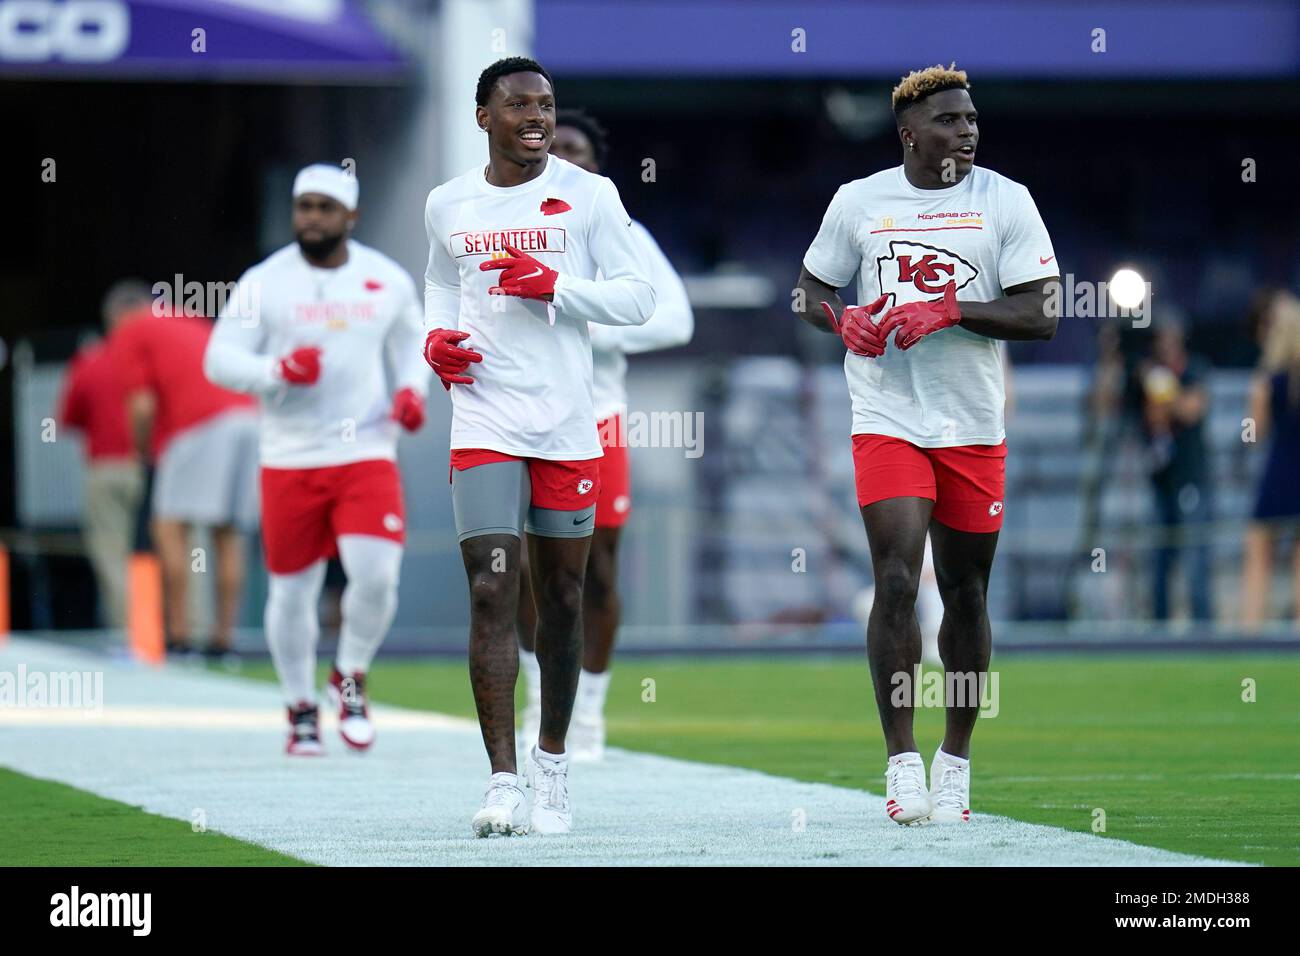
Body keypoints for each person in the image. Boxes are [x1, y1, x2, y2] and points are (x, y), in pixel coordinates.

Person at [794, 64, 1059, 825]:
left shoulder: (1006, 200)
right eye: (950, 120)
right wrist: (839, 320)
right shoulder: (859, 201)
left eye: (972, 120)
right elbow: (808, 288)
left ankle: (956, 760)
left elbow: (1042, 314)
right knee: (899, 580)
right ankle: (902, 760)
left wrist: (948, 311)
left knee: (968, 592)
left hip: (973, 422)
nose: (967, 131)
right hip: (887, 413)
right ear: (910, 133)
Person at [422, 57, 654, 836]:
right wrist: (435, 339)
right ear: (481, 115)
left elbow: (639, 298)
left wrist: (553, 282)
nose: (536, 117)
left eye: (545, 105)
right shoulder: (447, 203)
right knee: (492, 590)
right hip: (483, 417)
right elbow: (440, 280)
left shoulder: (590, 196)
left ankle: (553, 763)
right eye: (518, 104)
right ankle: (502, 781)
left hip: (565, 426)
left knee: (561, 598)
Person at [205, 164, 429, 755]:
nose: (311, 217)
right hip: (289, 455)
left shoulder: (385, 278)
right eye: (304, 206)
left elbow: (413, 342)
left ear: (350, 216)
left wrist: (413, 392)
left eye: (325, 208)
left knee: (378, 575)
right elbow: (219, 358)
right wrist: (274, 372)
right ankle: (300, 706)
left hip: (366, 450)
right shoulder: (264, 281)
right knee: (292, 592)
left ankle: (349, 675)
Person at [508, 108, 694, 761]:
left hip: (598, 417)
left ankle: (587, 709)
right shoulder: (499, 224)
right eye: (557, 148)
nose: (568, 159)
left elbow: (676, 320)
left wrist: (588, 319)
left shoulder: (620, 230)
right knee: (531, 570)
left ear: (598, 165)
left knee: (596, 571)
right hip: (520, 415)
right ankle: (539, 697)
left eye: (580, 150)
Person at [108, 281, 260, 659]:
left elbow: (141, 406)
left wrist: (143, 452)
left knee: (168, 524)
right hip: (249, 418)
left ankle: (179, 636)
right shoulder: (187, 318)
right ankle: (223, 640)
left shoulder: (131, 328)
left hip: (198, 426)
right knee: (226, 532)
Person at [59, 282, 148, 629]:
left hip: (107, 469)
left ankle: (134, 635)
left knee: (113, 554)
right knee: (178, 551)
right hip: (156, 468)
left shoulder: (91, 359)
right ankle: (188, 635)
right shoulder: (161, 356)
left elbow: (69, 419)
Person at [1140, 316, 1213, 623]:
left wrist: (1160, 389)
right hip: (1161, 480)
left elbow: (1191, 409)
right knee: (1158, 558)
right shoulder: (1146, 372)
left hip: (1190, 477)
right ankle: (1159, 630)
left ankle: (1202, 627)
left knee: (1194, 555)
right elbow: (1151, 417)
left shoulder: (1194, 369)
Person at [1241, 291, 1300, 628]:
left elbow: (1254, 433)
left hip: (1280, 469)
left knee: (1258, 546)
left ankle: (1251, 629)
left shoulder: (1269, 379)